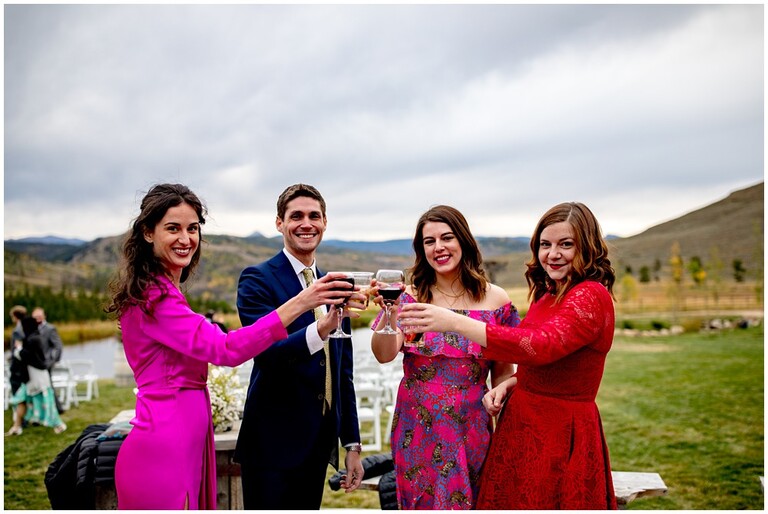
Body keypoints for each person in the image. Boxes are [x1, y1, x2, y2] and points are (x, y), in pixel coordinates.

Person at [106, 183, 355, 510]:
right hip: (165, 444)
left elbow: (343, 372)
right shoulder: (155, 298)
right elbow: (225, 349)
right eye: (173, 228)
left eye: (192, 228)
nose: (185, 238)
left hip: (187, 440)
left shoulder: (164, 292)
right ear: (148, 233)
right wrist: (302, 302)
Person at [400, 202, 618, 510]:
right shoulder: (550, 293)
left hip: (558, 431)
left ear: (588, 246)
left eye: (566, 244)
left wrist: (455, 322)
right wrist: (512, 383)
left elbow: (541, 345)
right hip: (522, 426)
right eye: (545, 245)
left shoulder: (590, 295)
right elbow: (543, 360)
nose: (553, 254)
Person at [370, 205, 520, 509]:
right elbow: (384, 355)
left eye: (447, 237)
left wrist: (502, 406)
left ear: (463, 240)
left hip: (472, 425)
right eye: (429, 241)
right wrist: (390, 312)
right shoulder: (410, 297)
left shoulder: (496, 299)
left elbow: (504, 370)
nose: (438, 247)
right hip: (417, 426)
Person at [235, 183, 365, 509]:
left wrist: (352, 444)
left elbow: (343, 372)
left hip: (317, 444)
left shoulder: (335, 284)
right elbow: (266, 354)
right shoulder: (256, 279)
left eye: (314, 216)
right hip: (271, 445)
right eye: (296, 216)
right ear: (280, 223)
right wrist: (322, 327)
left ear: (325, 222)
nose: (306, 224)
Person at [8, 316, 67, 435]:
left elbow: (28, 357)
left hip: (38, 377)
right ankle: (17, 427)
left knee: (46, 402)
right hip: (30, 377)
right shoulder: (32, 338)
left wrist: (18, 349)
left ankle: (59, 424)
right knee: (22, 400)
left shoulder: (34, 339)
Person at [32, 306, 64, 413]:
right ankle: (44, 408)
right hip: (35, 363)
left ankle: (58, 408)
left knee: (48, 385)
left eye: (39, 316)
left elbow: (58, 346)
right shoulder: (32, 329)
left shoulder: (50, 328)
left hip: (46, 363)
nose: (37, 318)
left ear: (44, 316)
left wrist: (53, 360)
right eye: (35, 316)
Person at [6, 306, 29, 435]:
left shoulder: (18, 331)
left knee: (18, 397)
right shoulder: (27, 328)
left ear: (15, 316)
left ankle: (19, 423)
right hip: (25, 369)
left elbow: (17, 352)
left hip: (17, 370)